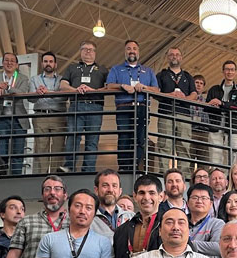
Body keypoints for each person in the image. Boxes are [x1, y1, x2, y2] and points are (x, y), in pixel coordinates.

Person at [1, 176, 68, 258]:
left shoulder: (73, 223)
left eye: (57, 189)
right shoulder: (26, 222)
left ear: (65, 195)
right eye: (47, 189)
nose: (52, 192)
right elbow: (14, 255)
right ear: (42, 195)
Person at [106, 40, 159, 171]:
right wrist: (122, 86)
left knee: (140, 138)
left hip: (142, 107)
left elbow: (157, 90)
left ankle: (136, 166)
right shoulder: (116, 69)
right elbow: (109, 86)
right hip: (124, 106)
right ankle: (124, 168)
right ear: (125, 52)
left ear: (138, 52)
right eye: (129, 48)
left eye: (134, 48)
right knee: (124, 137)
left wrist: (145, 87)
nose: (132, 51)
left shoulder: (148, 71)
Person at [60, 39, 108, 173]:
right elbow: (63, 85)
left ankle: (88, 169)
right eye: (85, 49)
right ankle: (69, 166)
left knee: (92, 140)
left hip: (95, 107)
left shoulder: (102, 69)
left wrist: (93, 91)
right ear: (80, 52)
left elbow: (109, 87)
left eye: (91, 49)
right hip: (76, 105)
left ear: (95, 53)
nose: (88, 51)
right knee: (73, 136)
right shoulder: (72, 68)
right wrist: (75, 90)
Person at [155, 46, 197, 171]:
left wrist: (185, 98)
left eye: (177, 54)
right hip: (166, 113)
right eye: (172, 54)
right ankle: (163, 174)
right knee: (164, 145)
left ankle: (183, 177)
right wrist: (171, 95)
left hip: (184, 115)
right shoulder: (161, 75)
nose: (174, 56)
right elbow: (156, 93)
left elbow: (194, 94)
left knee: (184, 146)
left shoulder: (188, 76)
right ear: (168, 58)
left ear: (181, 58)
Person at [0, 52, 31, 176]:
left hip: (19, 118)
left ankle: (15, 176)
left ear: (17, 65)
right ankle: (3, 170)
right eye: (6, 60)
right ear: (2, 63)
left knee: (18, 151)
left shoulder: (23, 78)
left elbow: (22, 92)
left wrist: (6, 88)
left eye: (12, 61)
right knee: (2, 143)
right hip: (2, 116)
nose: (9, 63)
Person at [206, 60, 237, 167]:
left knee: (232, 155)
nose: (229, 72)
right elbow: (206, 107)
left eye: (232, 70)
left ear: (235, 72)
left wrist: (222, 104)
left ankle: (229, 180)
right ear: (223, 71)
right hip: (215, 126)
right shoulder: (214, 89)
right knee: (215, 156)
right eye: (227, 69)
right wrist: (212, 104)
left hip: (233, 127)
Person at [30, 51, 67, 173]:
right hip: (40, 115)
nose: (48, 64)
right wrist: (37, 93)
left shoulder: (62, 79)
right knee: (41, 146)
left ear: (55, 64)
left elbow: (64, 97)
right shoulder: (34, 79)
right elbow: (30, 98)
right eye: (46, 61)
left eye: (51, 61)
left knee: (58, 145)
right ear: (42, 64)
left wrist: (49, 93)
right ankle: (43, 174)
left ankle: (56, 174)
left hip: (58, 115)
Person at [186, 183, 225, 258]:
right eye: (195, 197)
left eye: (203, 198)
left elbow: (219, 247)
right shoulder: (180, 222)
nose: (199, 201)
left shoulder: (217, 224)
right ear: (187, 203)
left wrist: (189, 244)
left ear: (211, 204)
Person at [92, 168, 130, 236]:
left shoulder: (131, 217)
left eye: (114, 186)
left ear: (120, 191)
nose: (110, 190)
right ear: (96, 190)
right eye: (105, 185)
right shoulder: (88, 218)